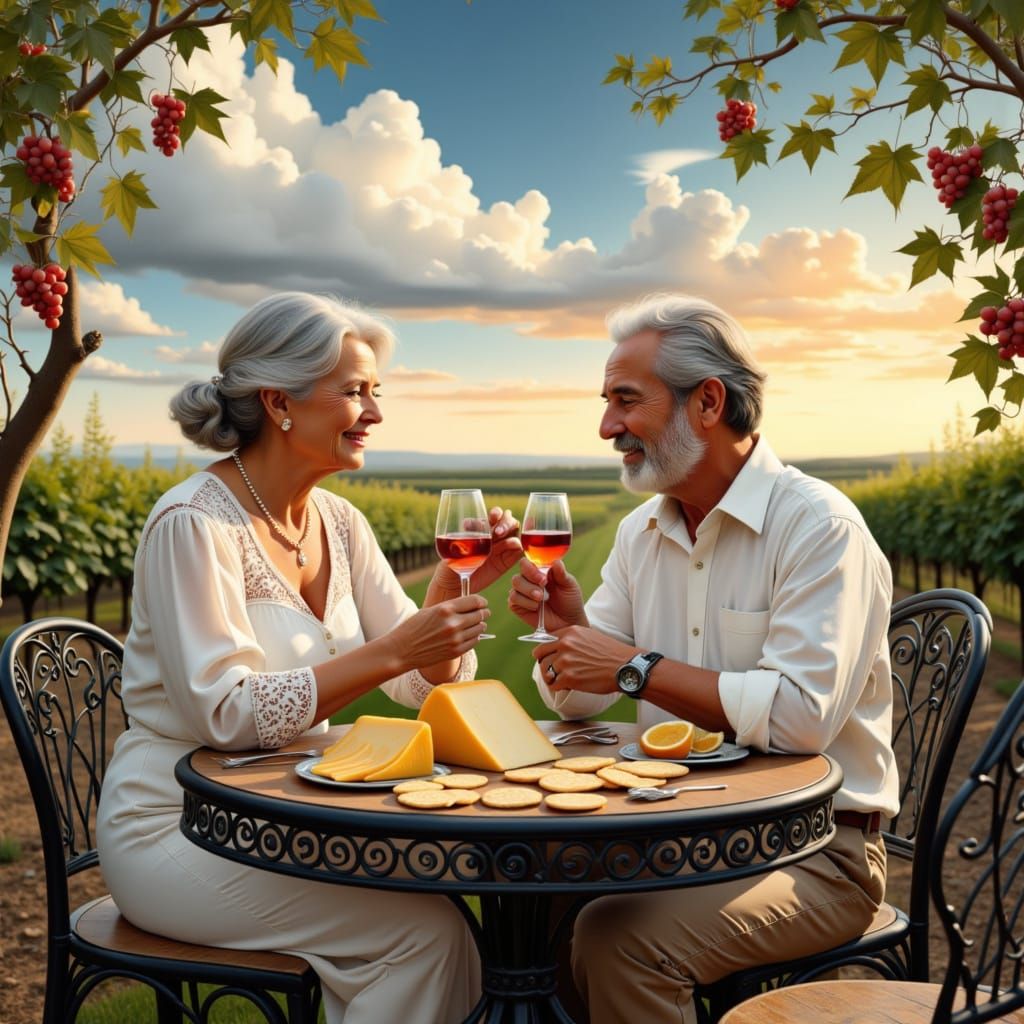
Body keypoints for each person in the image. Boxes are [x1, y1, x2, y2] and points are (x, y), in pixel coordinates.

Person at [97, 291, 521, 1024]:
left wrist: (454, 589)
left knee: (445, 915)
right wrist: (392, 649)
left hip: (289, 820)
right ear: (279, 402)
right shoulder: (192, 524)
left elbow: (422, 687)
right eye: (355, 392)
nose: (377, 413)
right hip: (181, 825)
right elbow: (225, 715)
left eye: (375, 392)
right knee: (422, 937)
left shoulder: (340, 521)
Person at [508, 293, 899, 1024]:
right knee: (532, 894)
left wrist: (632, 666)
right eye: (606, 402)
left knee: (619, 938)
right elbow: (580, 699)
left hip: (817, 852)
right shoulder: (640, 532)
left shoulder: (818, 528)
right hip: (678, 833)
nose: (606, 427)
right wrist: (569, 631)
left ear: (708, 402)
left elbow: (796, 721)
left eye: (626, 400)